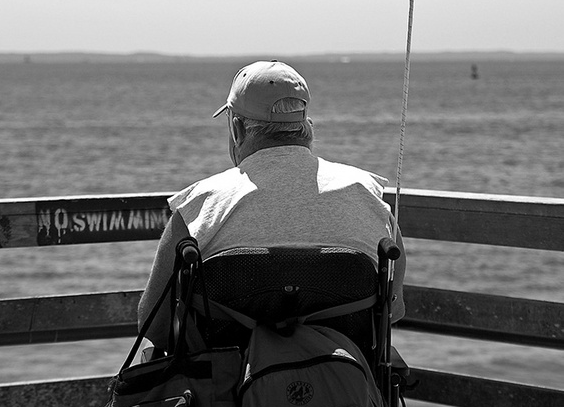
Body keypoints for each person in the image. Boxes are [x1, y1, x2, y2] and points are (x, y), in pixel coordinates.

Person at [137, 60, 406, 350]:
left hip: (226, 391)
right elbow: (394, 309)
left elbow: (155, 325)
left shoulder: (198, 208)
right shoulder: (368, 195)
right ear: (306, 126)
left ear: (238, 129)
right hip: (346, 389)